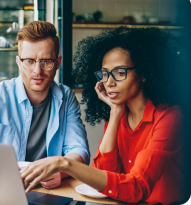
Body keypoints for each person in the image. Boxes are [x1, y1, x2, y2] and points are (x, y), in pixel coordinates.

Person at [20, 27, 184, 204]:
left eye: (120, 73)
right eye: (105, 74)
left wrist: (64, 164)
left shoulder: (169, 117)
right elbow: (104, 176)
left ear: (143, 74)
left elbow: (137, 186)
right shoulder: (118, 114)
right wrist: (115, 114)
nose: (109, 82)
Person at [0, 21, 90, 189]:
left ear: (58, 63)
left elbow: (79, 150)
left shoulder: (66, 97)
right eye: (29, 61)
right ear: (18, 62)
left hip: (49, 191)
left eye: (46, 61)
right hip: (2, 188)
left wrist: (61, 171)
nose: (37, 70)